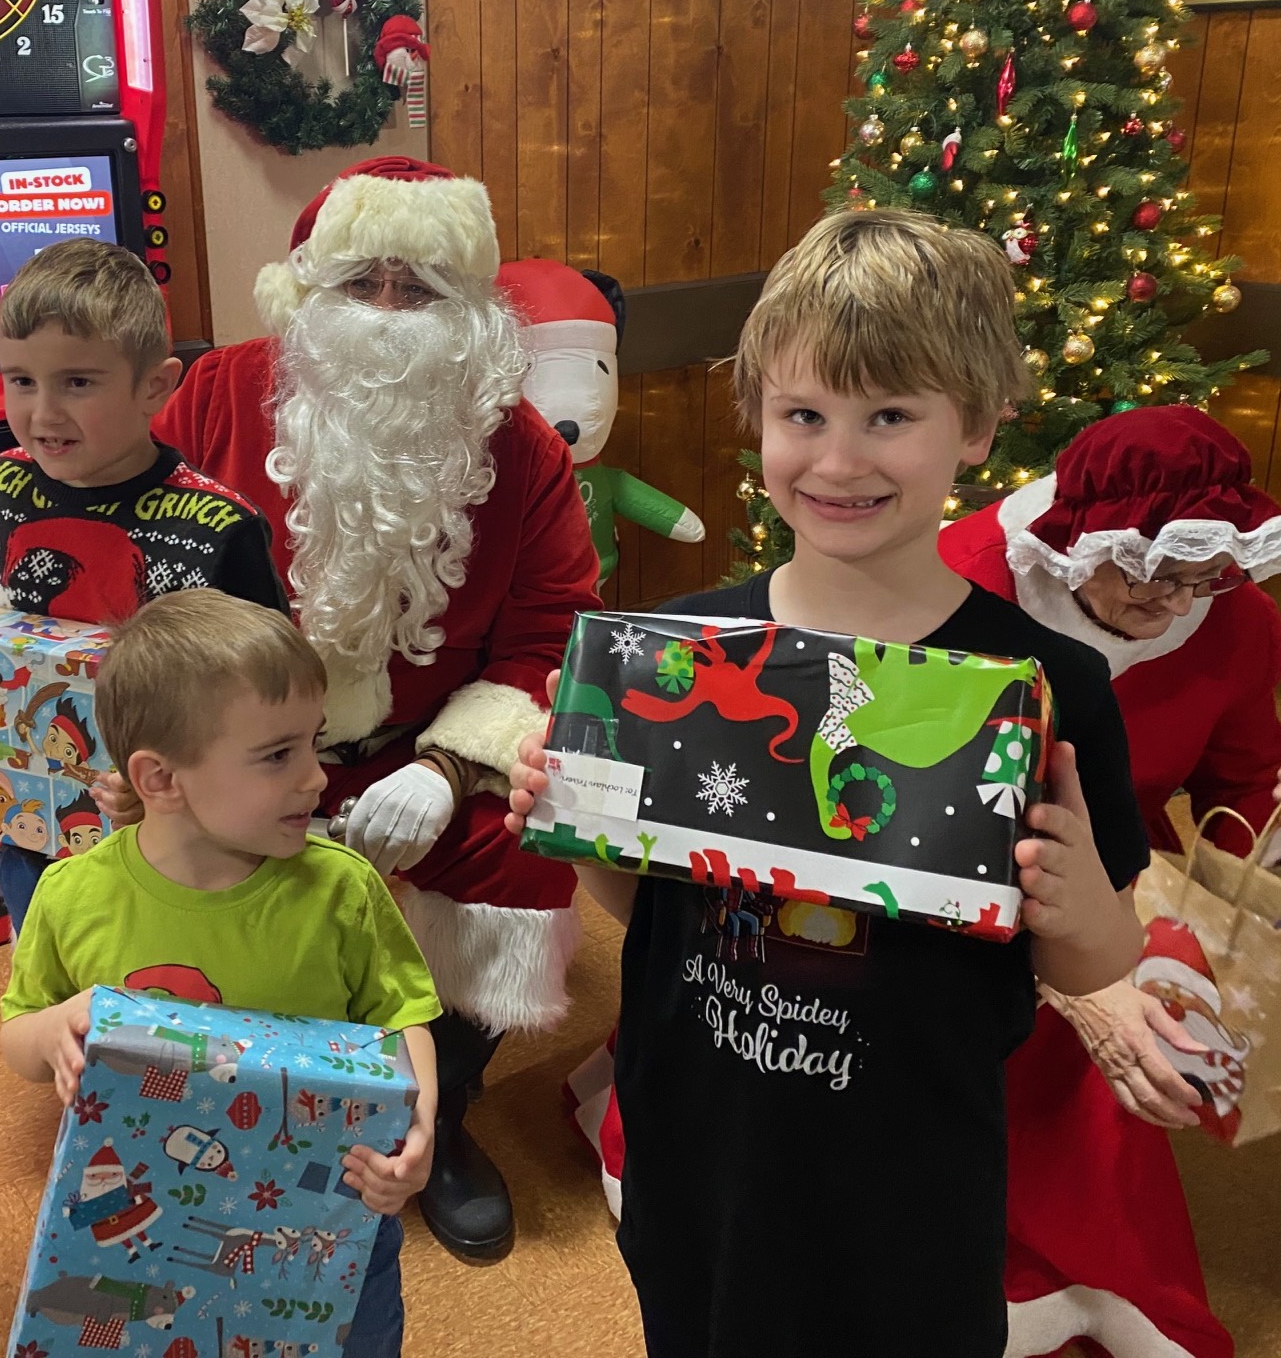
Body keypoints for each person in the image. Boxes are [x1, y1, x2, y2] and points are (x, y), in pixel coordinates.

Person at [506, 210, 1148, 1357]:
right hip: (701, 1141)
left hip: (908, 1168)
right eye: (804, 415)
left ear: (977, 427)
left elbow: (1095, 962)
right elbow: (651, 911)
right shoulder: (684, 656)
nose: (839, 461)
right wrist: (578, 817)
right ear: (758, 416)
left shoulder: (1051, 684)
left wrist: (1081, 903)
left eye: (889, 416)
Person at [145, 156, 601, 1258]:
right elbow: (133, 552)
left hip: (428, 750)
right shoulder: (218, 393)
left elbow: (552, 632)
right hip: (237, 743)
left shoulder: (521, 446)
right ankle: (244, 1099)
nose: (390, 311)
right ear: (309, 289)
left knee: (530, 840)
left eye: (421, 286)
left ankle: (439, 1112)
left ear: (471, 308)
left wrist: (449, 770)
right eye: (362, 282)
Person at [0, 590, 440, 1358]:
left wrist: (421, 1123)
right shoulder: (73, 895)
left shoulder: (340, 888)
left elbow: (401, 1016)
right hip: (152, 1228)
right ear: (160, 779)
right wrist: (54, 1032)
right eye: (277, 755)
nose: (316, 779)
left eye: (314, 744)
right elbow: (17, 1035)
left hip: (328, 1220)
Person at [938, 403, 1281, 1358]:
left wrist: (1254, 901)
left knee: (1162, 1001)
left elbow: (1245, 783)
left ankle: (1099, 1272)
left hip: (1121, 862)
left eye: (1203, 576)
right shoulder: (959, 578)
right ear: (1081, 541)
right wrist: (1073, 978)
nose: (1175, 603)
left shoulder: (1236, 621)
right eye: (1150, 573)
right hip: (946, 858)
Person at [0, 239, 288, 930]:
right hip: (31, 838)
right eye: (20, 380)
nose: (43, 412)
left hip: (185, 855)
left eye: (77, 383)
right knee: (46, 983)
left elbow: (273, 709)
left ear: (155, 386)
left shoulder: (219, 527)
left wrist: (177, 787)